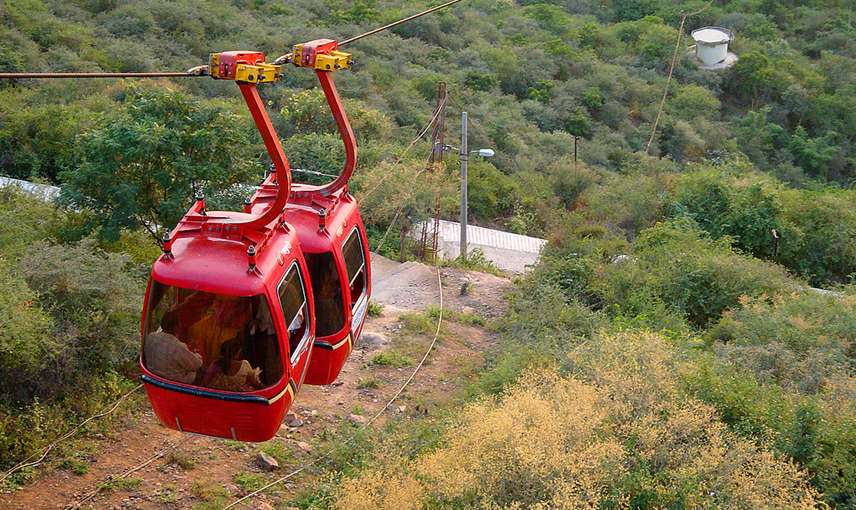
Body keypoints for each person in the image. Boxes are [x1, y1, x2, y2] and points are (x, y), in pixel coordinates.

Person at [187, 294, 252, 367]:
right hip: (217, 321)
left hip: (234, 325)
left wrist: (232, 314)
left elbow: (246, 303)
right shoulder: (201, 326)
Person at [144, 312, 203, 384]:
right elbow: (196, 365)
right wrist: (196, 350)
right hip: (176, 383)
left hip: (154, 377)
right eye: (179, 325)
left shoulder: (150, 337)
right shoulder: (177, 347)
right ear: (176, 327)